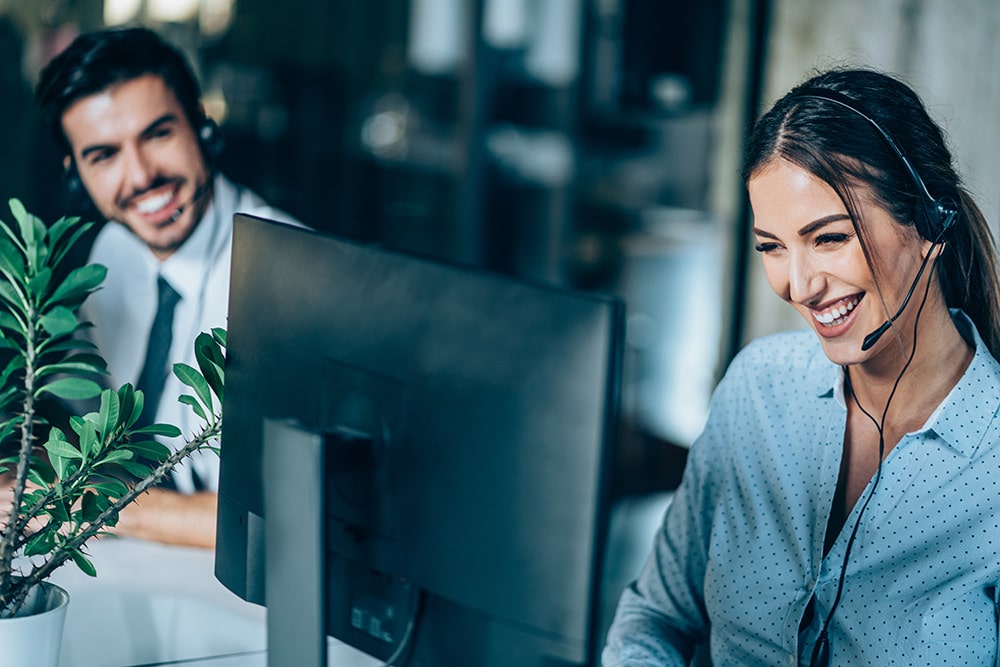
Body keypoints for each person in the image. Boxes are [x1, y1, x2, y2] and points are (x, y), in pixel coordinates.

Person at [603, 68, 1000, 666]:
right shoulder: (759, 387)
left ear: (929, 222)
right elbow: (655, 620)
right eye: (772, 247)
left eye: (829, 238)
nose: (800, 284)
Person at [33, 27, 299, 549]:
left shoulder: (288, 279)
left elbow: (279, 522)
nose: (141, 176)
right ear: (75, 175)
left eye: (158, 134)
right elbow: (89, 438)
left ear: (201, 124)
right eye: (104, 155)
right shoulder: (114, 249)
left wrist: (103, 504)